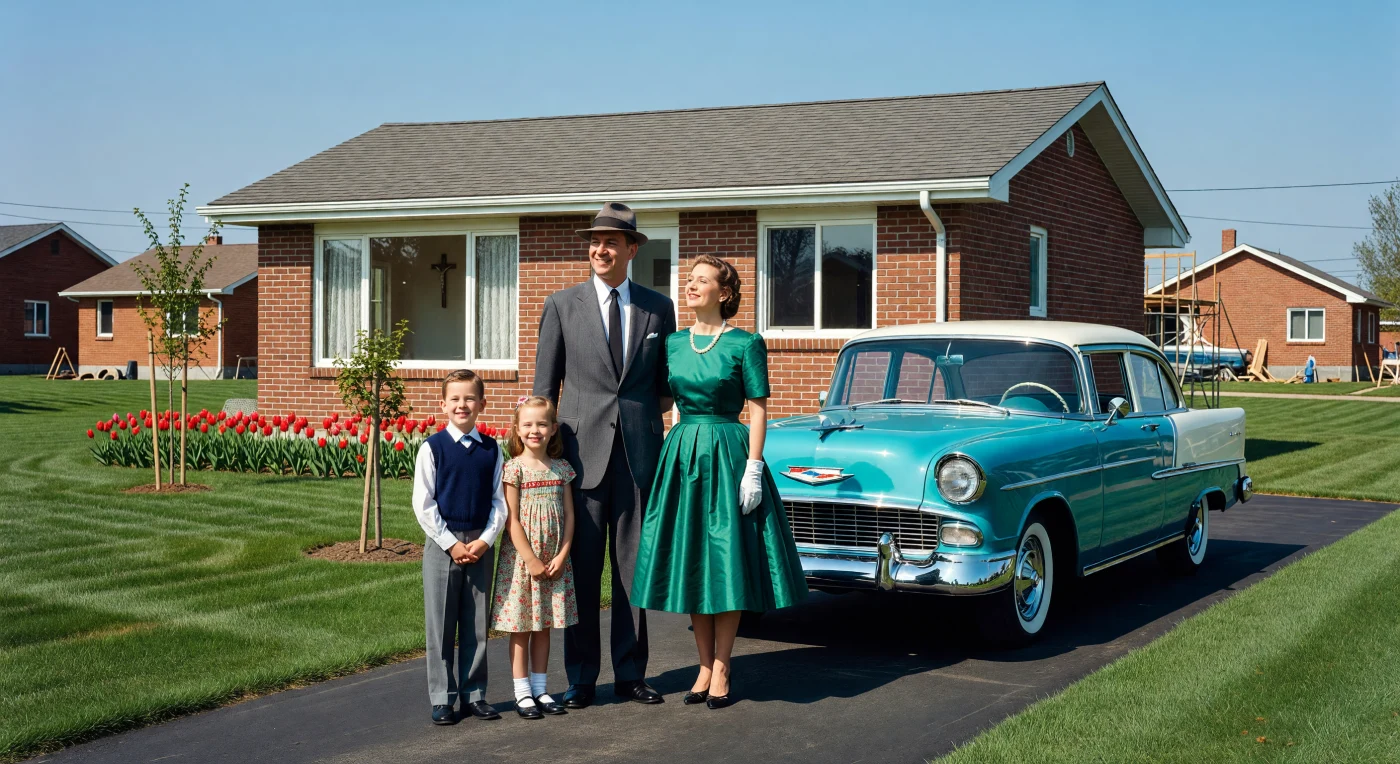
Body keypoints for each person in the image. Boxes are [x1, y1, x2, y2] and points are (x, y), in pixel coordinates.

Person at [631, 255, 807, 710]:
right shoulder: (673, 343)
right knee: (694, 557)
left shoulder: (746, 343)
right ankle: (704, 665)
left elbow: (759, 409)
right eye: (689, 279)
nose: (690, 286)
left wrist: (754, 468)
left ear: (724, 293)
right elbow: (661, 399)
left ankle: (724, 664)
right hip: (683, 453)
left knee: (725, 559)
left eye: (701, 280)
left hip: (729, 453)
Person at [533, 201, 677, 708]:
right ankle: (581, 678)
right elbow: (544, 390)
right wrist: (541, 457)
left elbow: (664, 386)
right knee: (582, 570)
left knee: (632, 569)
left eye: (611, 242)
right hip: (580, 456)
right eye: (595, 242)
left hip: (638, 456)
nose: (600, 249)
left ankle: (631, 674)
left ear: (631, 249)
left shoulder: (658, 307)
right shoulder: (561, 305)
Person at [412, 368, 508, 725]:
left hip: (480, 544)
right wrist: (451, 544)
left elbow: (500, 502)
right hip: (443, 545)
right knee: (441, 623)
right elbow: (423, 504)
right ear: (443, 404)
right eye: (454, 398)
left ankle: (474, 693)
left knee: (476, 623)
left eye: (469, 398)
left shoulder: (492, 450)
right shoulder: (432, 448)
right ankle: (442, 697)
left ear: (482, 403)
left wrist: (485, 540)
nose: (462, 404)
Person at [489, 396, 579, 719]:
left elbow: (569, 516)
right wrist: (530, 559)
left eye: (542, 424)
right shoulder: (514, 469)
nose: (535, 430)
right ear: (517, 429)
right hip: (522, 564)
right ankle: (522, 693)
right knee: (522, 627)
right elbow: (512, 520)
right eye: (527, 424)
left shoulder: (561, 469)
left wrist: (563, 554)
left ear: (553, 429)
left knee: (544, 626)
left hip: (554, 562)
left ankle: (541, 689)